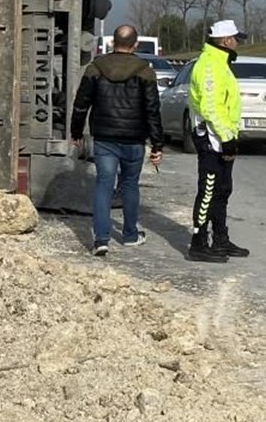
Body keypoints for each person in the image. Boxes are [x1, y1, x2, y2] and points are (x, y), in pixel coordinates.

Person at [69, 24, 165, 257]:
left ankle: (101, 240)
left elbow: (81, 103)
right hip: (134, 139)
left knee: (104, 184)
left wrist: (76, 132)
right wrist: (157, 145)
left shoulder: (96, 68)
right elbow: (153, 110)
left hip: (104, 138)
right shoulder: (145, 71)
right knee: (130, 185)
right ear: (135, 45)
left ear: (112, 43)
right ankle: (130, 235)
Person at [187, 19, 250, 263]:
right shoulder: (210, 66)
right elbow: (210, 107)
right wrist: (225, 138)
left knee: (223, 190)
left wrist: (230, 137)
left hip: (222, 136)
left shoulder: (220, 63)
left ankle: (220, 239)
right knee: (209, 191)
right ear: (225, 41)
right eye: (235, 38)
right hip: (211, 137)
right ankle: (198, 243)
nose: (237, 43)